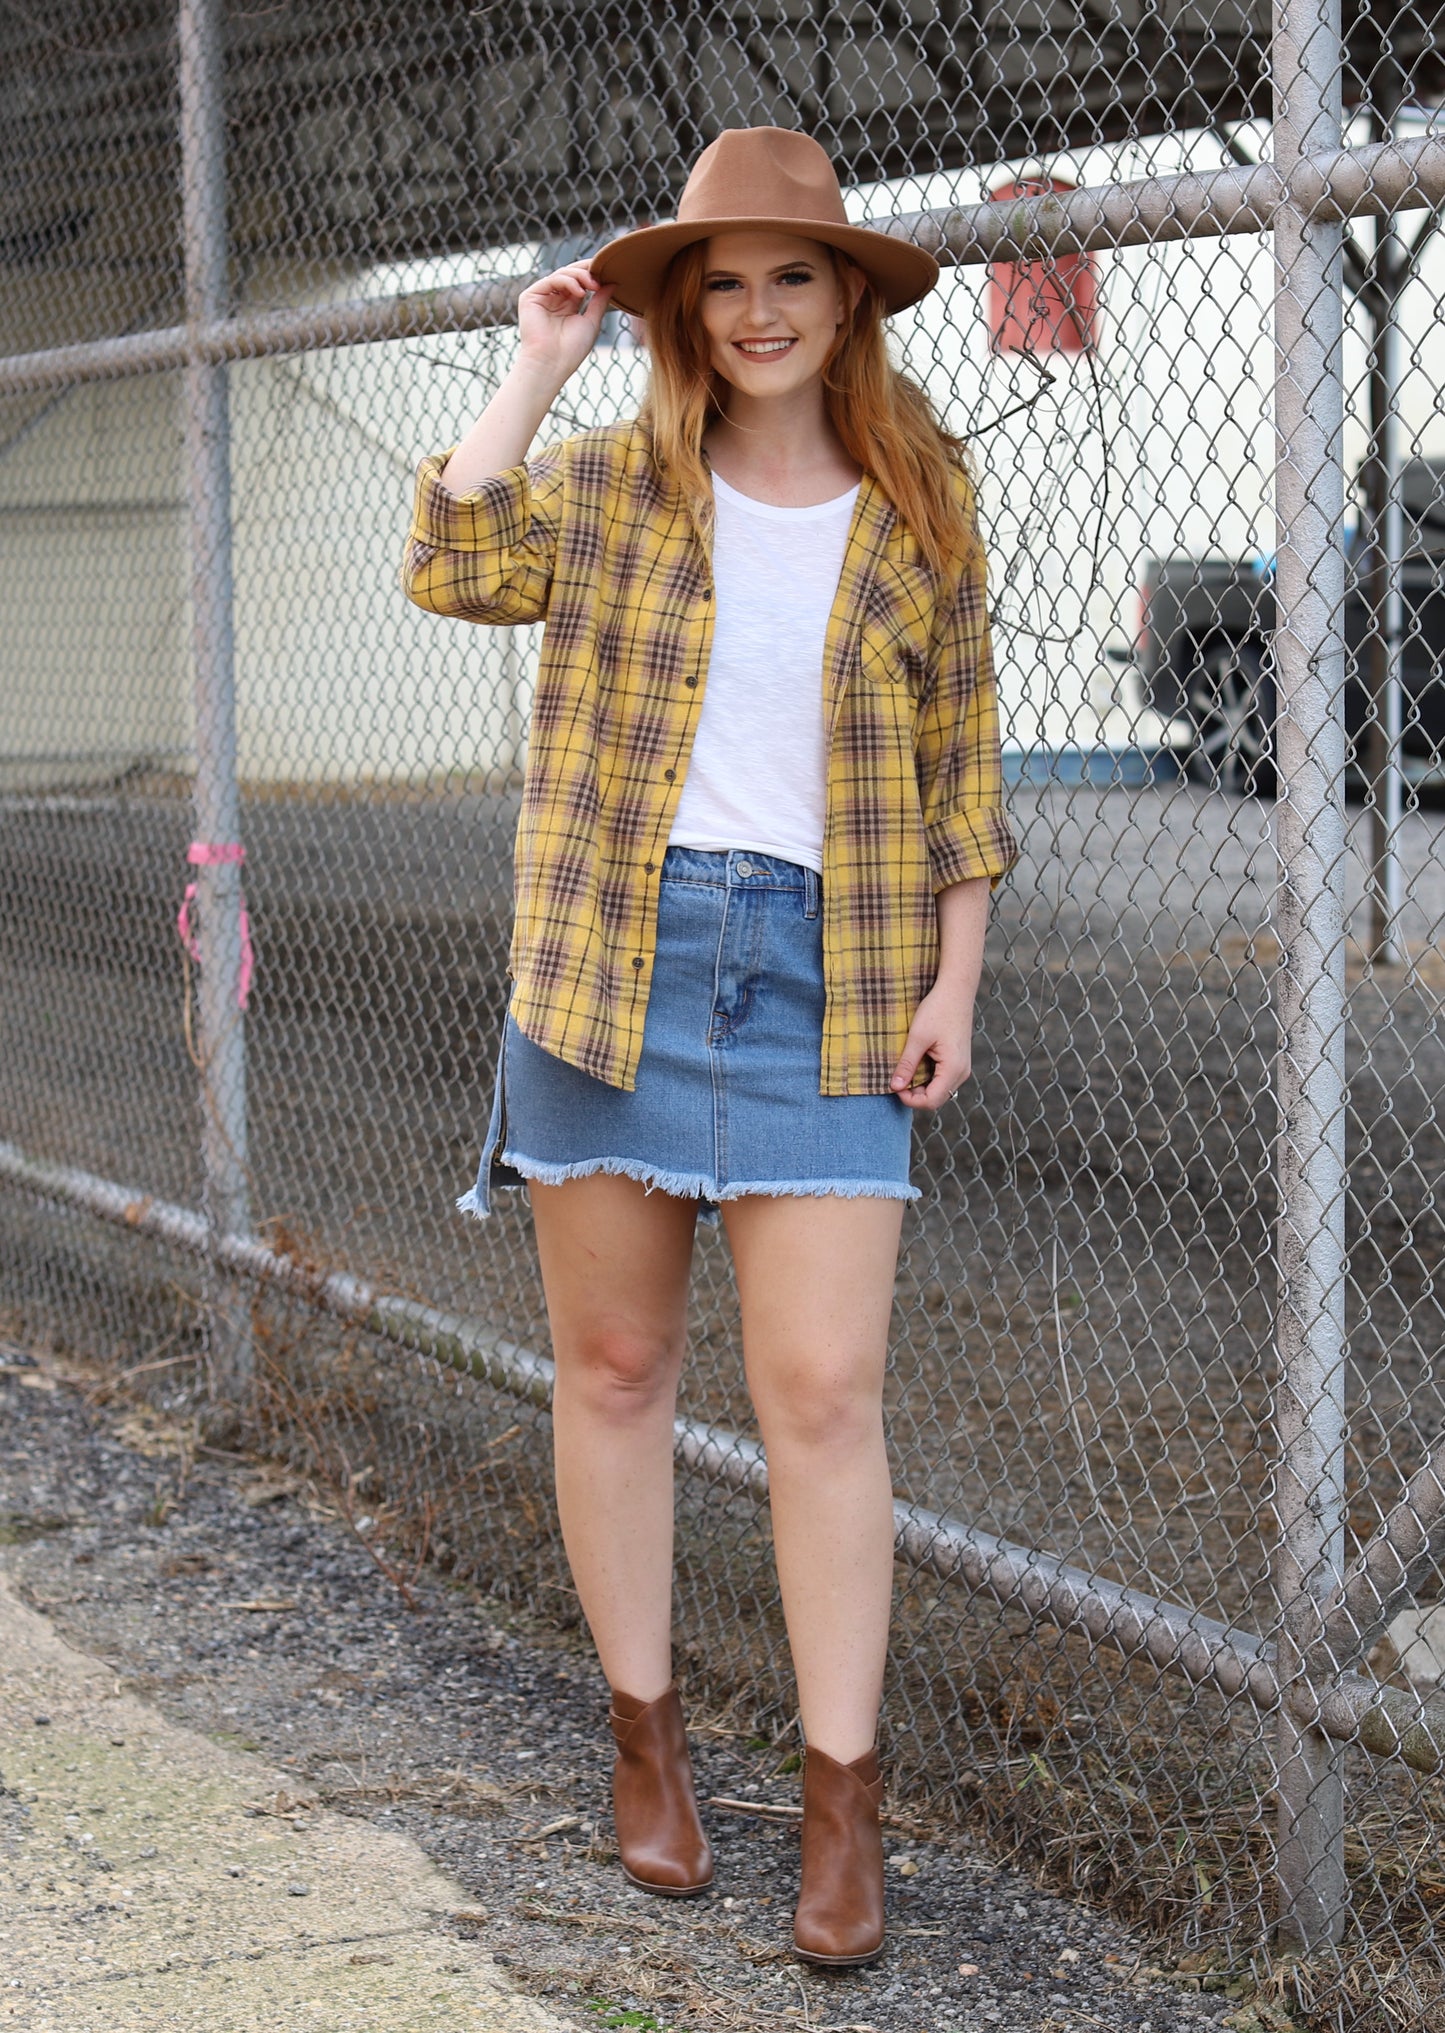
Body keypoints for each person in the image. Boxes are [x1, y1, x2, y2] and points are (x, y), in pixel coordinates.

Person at [402, 126, 1016, 1968]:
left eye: (791, 276)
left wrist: (953, 981)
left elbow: (963, 764)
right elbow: (453, 560)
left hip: (834, 967)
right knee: (613, 1363)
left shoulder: (918, 500)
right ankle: (645, 1742)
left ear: (845, 302)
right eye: (723, 282)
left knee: (820, 1389)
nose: (757, 311)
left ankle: (842, 1803)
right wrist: (539, 358)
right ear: (683, 310)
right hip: (614, 954)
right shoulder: (610, 481)